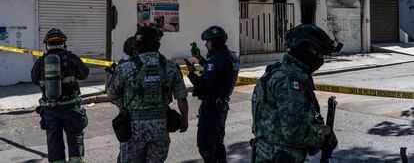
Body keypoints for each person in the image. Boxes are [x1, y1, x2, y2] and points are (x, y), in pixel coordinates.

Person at [251, 24, 342, 163]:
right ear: (306, 49)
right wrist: (323, 136)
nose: (321, 59)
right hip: (278, 157)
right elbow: (294, 132)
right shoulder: (289, 81)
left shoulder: (281, 72)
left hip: (269, 155)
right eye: (319, 53)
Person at [108, 27, 189, 163]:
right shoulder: (171, 67)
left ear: (137, 46)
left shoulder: (125, 68)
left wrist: (125, 107)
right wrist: (184, 120)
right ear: (157, 45)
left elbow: (112, 95)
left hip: (133, 130)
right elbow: (181, 97)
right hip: (161, 128)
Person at [31, 28, 89, 163]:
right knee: (75, 142)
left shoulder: (41, 61)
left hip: (50, 111)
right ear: (64, 43)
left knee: (54, 145)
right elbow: (84, 74)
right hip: (71, 109)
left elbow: (34, 79)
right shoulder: (71, 58)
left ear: (47, 44)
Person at [186, 25, 239, 163]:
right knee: (217, 142)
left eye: (208, 41)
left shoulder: (218, 59)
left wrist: (191, 73)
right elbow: (216, 71)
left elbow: (204, 83)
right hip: (221, 105)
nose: (206, 44)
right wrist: (199, 57)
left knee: (206, 144)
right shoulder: (229, 56)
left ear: (215, 42)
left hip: (212, 109)